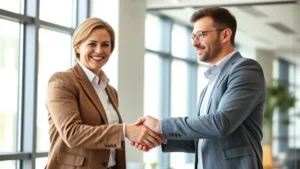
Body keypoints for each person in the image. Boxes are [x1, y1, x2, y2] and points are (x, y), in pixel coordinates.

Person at [133, 7, 266, 169]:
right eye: (193, 36)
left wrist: (161, 125)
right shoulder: (209, 83)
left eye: (201, 35)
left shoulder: (246, 69)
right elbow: (203, 138)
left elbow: (221, 123)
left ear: (225, 35)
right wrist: (162, 136)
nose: (195, 43)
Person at [45, 17, 164, 169]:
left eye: (105, 45)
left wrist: (140, 135)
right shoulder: (63, 81)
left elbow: (106, 136)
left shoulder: (110, 90)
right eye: (92, 44)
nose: (99, 50)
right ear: (77, 47)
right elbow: (72, 134)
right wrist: (125, 131)